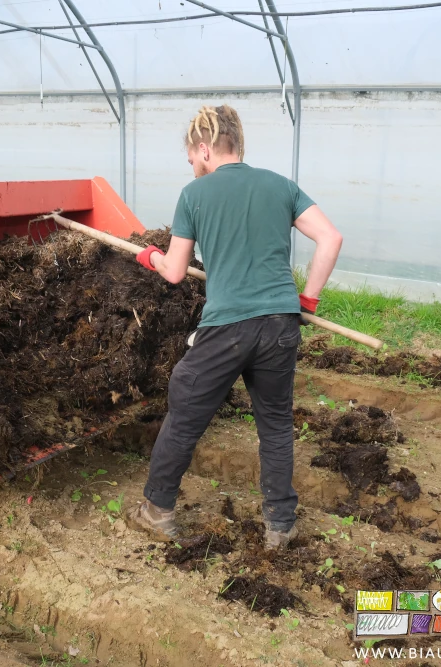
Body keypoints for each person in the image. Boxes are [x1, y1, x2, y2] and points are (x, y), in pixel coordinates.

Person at [126, 105, 343, 550]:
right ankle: (280, 526)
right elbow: (330, 238)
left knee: (184, 413)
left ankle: (157, 511)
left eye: (191, 156)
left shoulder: (195, 194)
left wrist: (148, 255)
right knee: (277, 425)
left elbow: (174, 272)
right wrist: (307, 300)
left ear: (204, 148)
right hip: (281, 324)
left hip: (227, 329)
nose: (191, 164)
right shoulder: (281, 186)